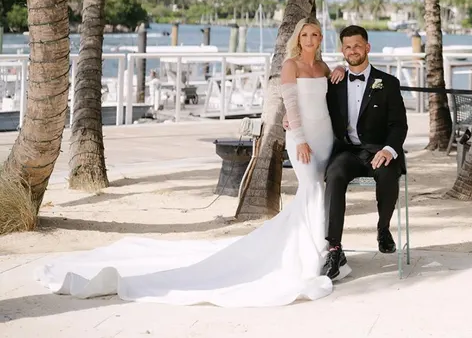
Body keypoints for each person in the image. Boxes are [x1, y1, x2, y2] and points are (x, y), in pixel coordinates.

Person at [36, 18, 339, 308]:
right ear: (298, 39)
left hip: (325, 136)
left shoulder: (323, 67)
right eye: (305, 35)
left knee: (320, 189)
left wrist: (339, 71)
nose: (310, 39)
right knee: (311, 185)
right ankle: (310, 252)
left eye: (315, 35)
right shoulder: (290, 65)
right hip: (302, 139)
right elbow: (291, 105)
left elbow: (331, 100)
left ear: (320, 39)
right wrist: (299, 138)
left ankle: (322, 246)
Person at [322, 25, 408, 280]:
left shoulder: (388, 83)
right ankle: (334, 248)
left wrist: (389, 150)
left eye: (357, 45)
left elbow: (399, 124)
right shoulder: (334, 83)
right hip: (348, 152)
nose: (353, 51)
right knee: (334, 174)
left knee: (388, 173)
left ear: (367, 47)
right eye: (347, 47)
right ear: (342, 51)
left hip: (379, 150)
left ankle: (383, 229)